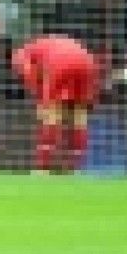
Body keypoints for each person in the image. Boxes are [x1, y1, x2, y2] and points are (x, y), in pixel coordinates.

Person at [12, 34, 100, 174]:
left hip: (61, 64)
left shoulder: (20, 56)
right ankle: (75, 170)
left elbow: (29, 75)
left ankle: (43, 170)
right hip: (87, 62)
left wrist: (41, 101)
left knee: (51, 117)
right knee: (79, 118)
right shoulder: (44, 44)